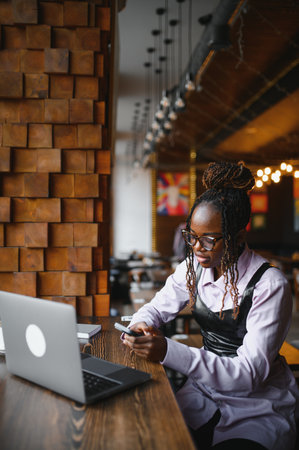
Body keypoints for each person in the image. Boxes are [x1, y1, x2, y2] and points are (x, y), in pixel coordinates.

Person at [122, 161, 299, 450]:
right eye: (191, 236)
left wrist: (170, 351)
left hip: (256, 407)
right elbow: (153, 309)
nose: (196, 247)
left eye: (209, 239)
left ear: (238, 237)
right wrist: (140, 324)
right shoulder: (196, 266)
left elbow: (249, 376)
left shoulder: (270, 285)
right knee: (149, 433)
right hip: (204, 392)